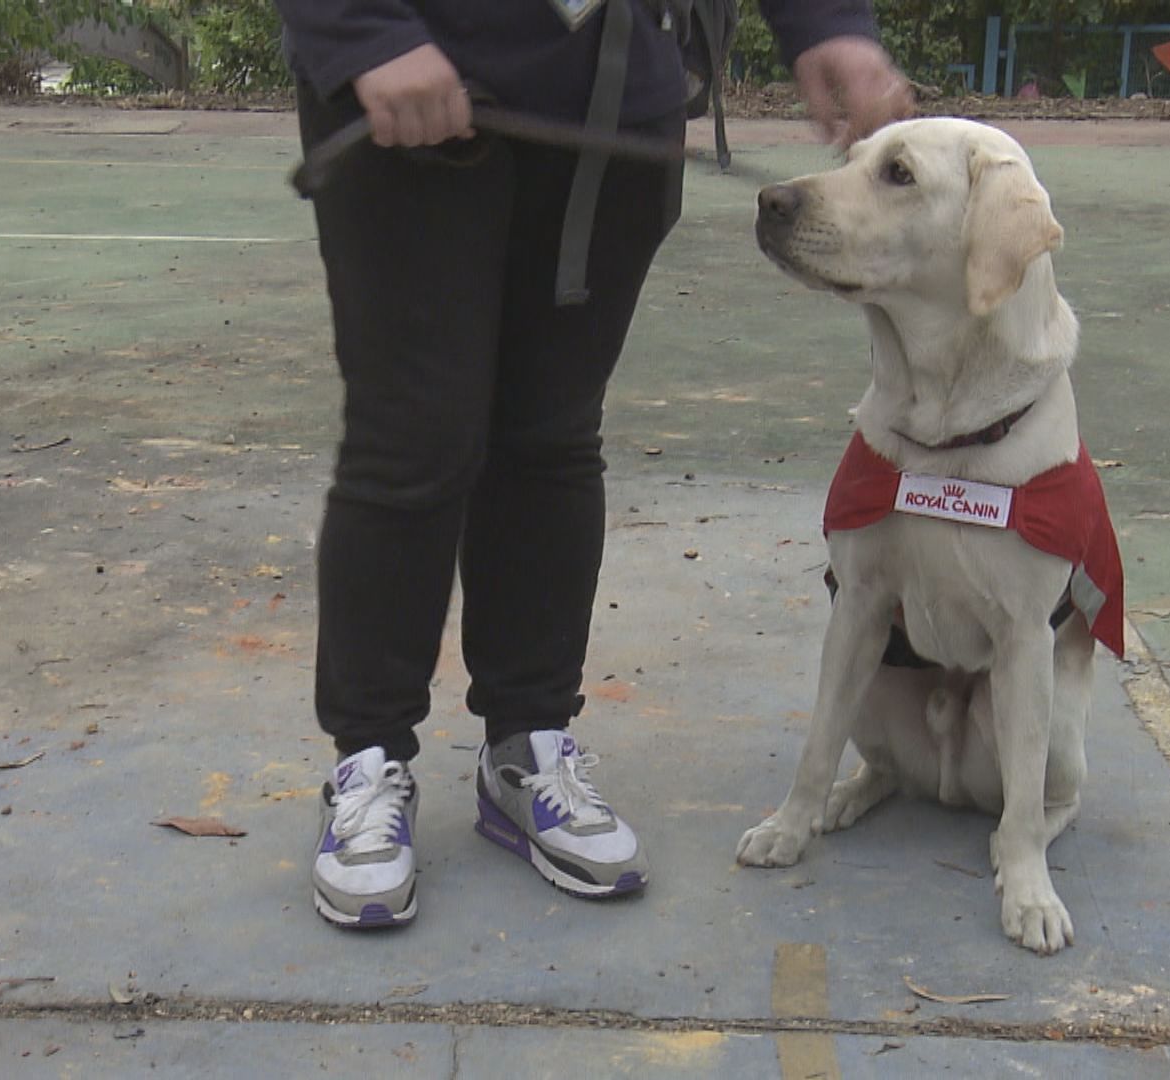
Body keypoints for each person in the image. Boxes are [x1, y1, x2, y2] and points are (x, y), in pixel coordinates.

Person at [275, 0, 913, 928]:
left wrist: (824, 24)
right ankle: (369, 760)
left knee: (553, 434)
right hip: (408, 83)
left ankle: (526, 743)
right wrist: (363, 29)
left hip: (611, 107)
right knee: (413, 437)